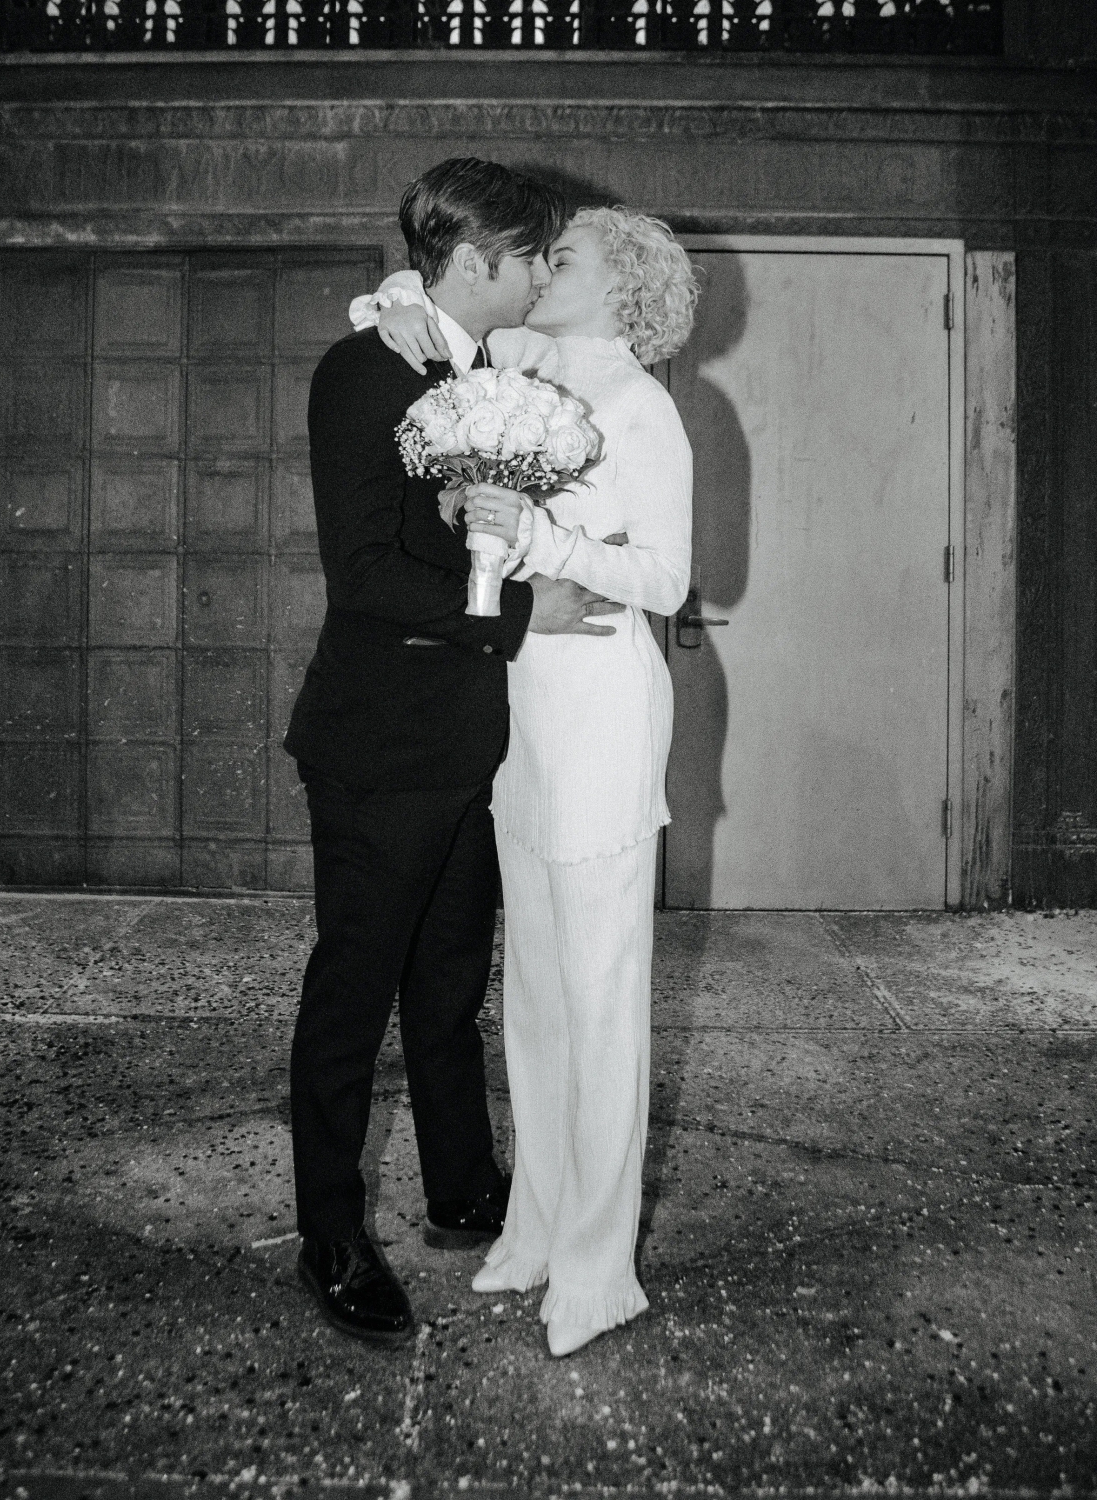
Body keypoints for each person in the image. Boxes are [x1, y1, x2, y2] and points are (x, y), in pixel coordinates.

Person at [284, 159, 624, 1347]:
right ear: (476, 261)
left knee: (447, 987)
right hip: (378, 742)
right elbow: (363, 575)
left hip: (468, 739)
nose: (540, 276)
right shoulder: (361, 373)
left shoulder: (484, 375)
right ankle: (329, 1231)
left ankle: (462, 1186)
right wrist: (528, 614)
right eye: (531, 257)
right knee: (354, 992)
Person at [351, 205, 697, 1355]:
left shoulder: (643, 410)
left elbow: (666, 577)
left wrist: (545, 545)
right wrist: (394, 302)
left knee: (601, 1004)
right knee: (538, 1003)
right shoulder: (517, 364)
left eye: (567, 257)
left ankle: (601, 1267)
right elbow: (415, 314)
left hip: (603, 719)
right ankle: (538, 1229)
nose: (544, 268)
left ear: (625, 286)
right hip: (522, 723)